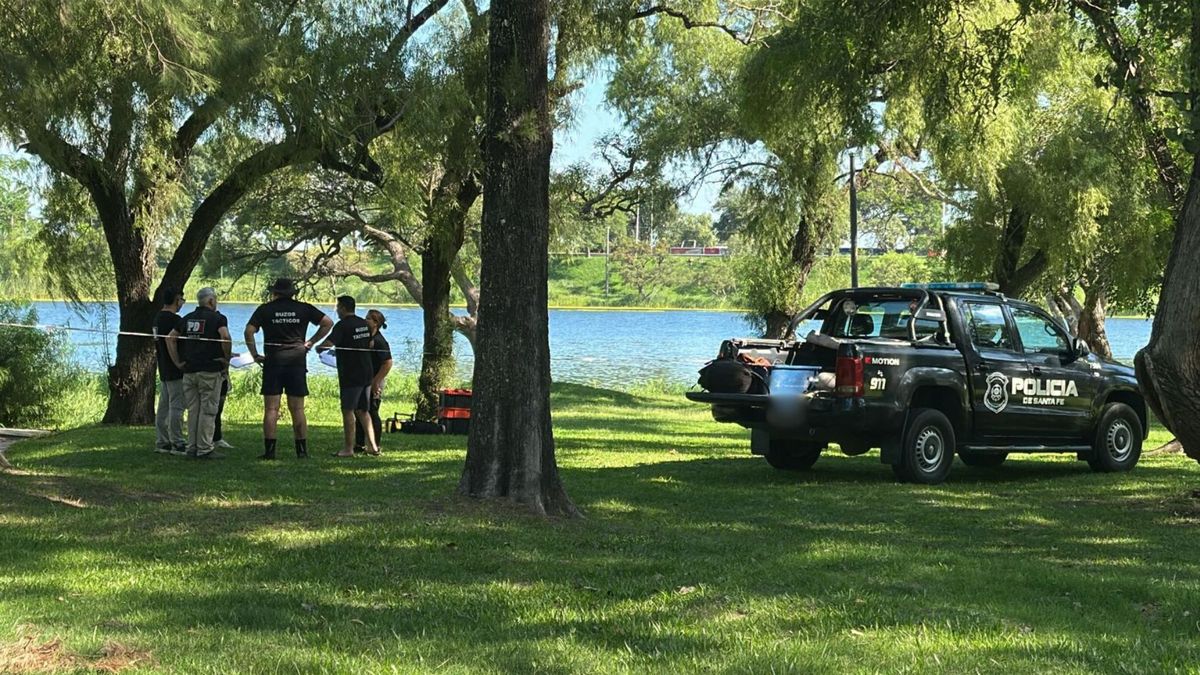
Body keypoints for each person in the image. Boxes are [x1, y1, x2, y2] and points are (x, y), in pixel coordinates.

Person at [244, 278, 332, 460]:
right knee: (298, 409)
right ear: (293, 293)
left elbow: (248, 331)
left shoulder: (265, 309)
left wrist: (254, 354)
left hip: (273, 361)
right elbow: (328, 322)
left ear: (274, 292)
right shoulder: (304, 308)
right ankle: (301, 451)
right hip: (297, 361)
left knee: (271, 409)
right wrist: (310, 343)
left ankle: (270, 452)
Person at [166, 287, 231, 460]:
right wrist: (226, 359)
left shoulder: (187, 319)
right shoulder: (218, 318)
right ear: (211, 301)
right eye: (215, 299)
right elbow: (225, 337)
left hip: (189, 372)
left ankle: (192, 447)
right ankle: (204, 448)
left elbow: (170, 338)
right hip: (210, 371)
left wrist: (178, 362)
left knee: (194, 410)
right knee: (208, 410)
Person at [317, 296, 380, 457]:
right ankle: (373, 446)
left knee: (348, 410)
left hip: (351, 374)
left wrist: (318, 347)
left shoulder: (342, 325)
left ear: (344, 308)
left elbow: (328, 344)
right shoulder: (363, 324)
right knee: (363, 411)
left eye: (338, 307)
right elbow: (370, 342)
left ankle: (348, 449)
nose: (337, 310)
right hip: (367, 372)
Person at [153, 286, 187, 456]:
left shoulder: (157, 318)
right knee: (177, 407)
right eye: (182, 300)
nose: (182, 303)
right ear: (176, 300)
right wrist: (179, 362)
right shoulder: (175, 320)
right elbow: (171, 341)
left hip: (163, 366)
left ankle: (162, 441)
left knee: (164, 406)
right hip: (174, 368)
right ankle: (177, 442)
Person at [354, 309, 392, 454]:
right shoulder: (367, 338)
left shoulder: (380, 341)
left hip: (375, 380)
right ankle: (359, 444)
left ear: (376, 323)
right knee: (360, 410)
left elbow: (387, 363)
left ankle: (375, 444)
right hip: (364, 380)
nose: (365, 320)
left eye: (368, 318)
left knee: (372, 411)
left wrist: (376, 381)